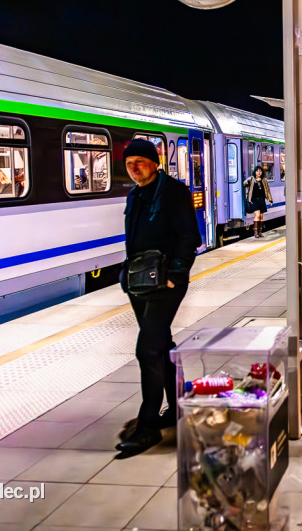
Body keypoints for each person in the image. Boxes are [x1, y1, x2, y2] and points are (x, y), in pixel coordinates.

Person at [117, 139, 201, 456]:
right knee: (161, 344)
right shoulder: (135, 195)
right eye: (129, 163)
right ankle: (178, 404)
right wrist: (126, 274)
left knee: (147, 349)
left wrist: (175, 275)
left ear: (155, 163)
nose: (134, 167)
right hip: (139, 283)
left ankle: (148, 426)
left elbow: (189, 237)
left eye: (140, 161)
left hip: (165, 282)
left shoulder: (174, 192)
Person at [243, 165, 272, 238]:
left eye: (260, 171)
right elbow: (244, 184)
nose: (258, 173)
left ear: (262, 172)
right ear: (255, 172)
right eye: (257, 171)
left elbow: (267, 190)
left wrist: (270, 199)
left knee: (261, 217)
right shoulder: (251, 179)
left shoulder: (264, 180)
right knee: (257, 215)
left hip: (261, 200)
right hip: (253, 200)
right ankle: (255, 233)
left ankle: (260, 232)